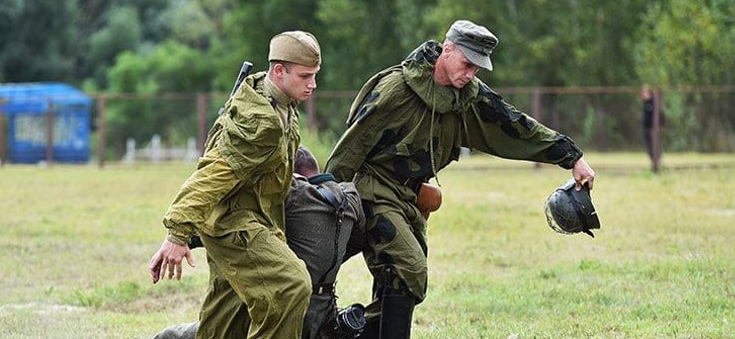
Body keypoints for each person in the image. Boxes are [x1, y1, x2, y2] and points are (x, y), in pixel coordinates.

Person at [324, 19, 596, 338]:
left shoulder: (467, 96)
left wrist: (571, 156)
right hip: (372, 190)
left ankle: (344, 332)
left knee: (401, 282)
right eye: (467, 64)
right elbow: (351, 148)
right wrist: (328, 201)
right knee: (409, 268)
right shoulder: (395, 90)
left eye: (477, 69)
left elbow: (514, 124)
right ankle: (333, 330)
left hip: (410, 199)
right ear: (447, 49)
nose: (470, 74)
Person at [148, 30, 322, 339]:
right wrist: (177, 233)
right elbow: (212, 174)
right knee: (291, 285)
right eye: (305, 76)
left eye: (314, 75)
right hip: (233, 223)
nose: (313, 84)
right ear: (279, 71)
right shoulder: (260, 120)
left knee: (227, 320)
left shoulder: (279, 101)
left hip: (250, 217)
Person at [152, 146, 367, 339]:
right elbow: (358, 241)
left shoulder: (293, 194)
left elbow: (233, 221)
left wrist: (183, 240)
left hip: (281, 310)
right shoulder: (349, 199)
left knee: (184, 334)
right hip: (324, 317)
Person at [641, 84, 664, 168]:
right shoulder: (645, 103)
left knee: (654, 146)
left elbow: (660, 115)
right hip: (647, 128)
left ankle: (656, 163)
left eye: (645, 92)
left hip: (653, 129)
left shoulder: (653, 103)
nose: (643, 94)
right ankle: (654, 163)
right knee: (649, 147)